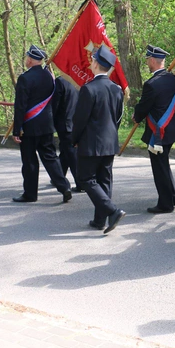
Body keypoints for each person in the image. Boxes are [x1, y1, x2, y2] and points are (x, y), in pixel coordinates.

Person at [72, 44, 126, 233]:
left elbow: (80, 119)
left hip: (91, 142)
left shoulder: (89, 89)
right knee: (104, 180)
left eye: (93, 59)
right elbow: (118, 118)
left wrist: (74, 139)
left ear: (96, 64)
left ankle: (112, 211)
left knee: (85, 178)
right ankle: (100, 220)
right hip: (109, 142)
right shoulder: (117, 89)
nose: (91, 62)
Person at [11, 45, 72, 204]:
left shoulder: (25, 78)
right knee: (51, 158)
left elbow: (20, 106)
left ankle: (30, 194)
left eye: (27, 58)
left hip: (29, 126)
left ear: (30, 59)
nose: (26, 60)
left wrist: (17, 129)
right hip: (46, 125)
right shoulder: (49, 76)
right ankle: (64, 187)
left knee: (30, 161)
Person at [133, 45, 175, 213]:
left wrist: (136, 117)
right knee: (164, 164)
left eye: (147, 59)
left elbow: (144, 106)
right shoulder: (172, 79)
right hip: (171, 129)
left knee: (159, 169)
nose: (147, 62)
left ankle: (165, 204)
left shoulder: (151, 84)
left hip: (157, 133)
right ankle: (173, 196)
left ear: (153, 61)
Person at [52, 74, 81, 191]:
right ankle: (59, 177)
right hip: (76, 121)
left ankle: (80, 182)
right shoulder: (78, 79)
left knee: (71, 152)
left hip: (65, 122)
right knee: (65, 151)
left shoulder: (60, 81)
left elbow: (55, 104)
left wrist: (51, 121)